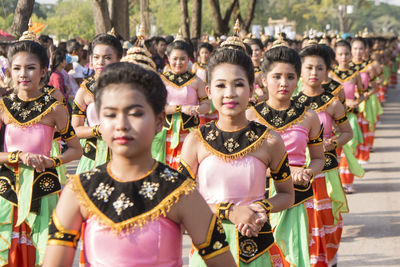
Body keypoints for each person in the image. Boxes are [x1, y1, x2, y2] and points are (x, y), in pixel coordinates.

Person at [43, 62, 236, 267]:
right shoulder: (78, 191)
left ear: (159, 120)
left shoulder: (180, 192)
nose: (122, 124)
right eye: (110, 114)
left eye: (135, 113)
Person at [180, 47, 294, 266]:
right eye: (221, 85)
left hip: (257, 249)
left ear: (251, 90)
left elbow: (287, 195)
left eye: (238, 84)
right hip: (208, 251)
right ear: (209, 91)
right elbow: (181, 199)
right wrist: (230, 211)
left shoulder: (270, 140)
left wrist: (259, 208)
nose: (230, 93)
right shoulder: (195, 140)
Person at [0, 38, 82, 266]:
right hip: (7, 189)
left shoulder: (55, 108)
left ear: (43, 71)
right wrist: (19, 157)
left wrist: (52, 161)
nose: (23, 74)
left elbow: (76, 149)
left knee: (42, 252)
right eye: (17, 68)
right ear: (9, 71)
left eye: (30, 68)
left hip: (43, 188)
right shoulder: (3, 106)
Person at [247, 45, 325, 267]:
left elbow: (319, 157)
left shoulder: (309, 116)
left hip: (295, 196)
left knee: (292, 256)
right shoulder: (250, 116)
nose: (284, 83)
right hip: (257, 195)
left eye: (290, 77)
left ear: (298, 79)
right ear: (263, 79)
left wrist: (309, 171)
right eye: (277, 76)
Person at [294, 44, 353, 267]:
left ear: (327, 71)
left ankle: (328, 260)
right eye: (308, 67)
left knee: (326, 219)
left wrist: (332, 143)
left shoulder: (333, 103)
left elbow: (348, 132)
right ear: (300, 70)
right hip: (299, 173)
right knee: (304, 221)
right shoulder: (291, 104)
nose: (314, 73)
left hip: (325, 172)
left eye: (320, 68)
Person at [152, 39, 209, 169]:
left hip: (190, 130)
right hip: (165, 130)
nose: (178, 63)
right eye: (175, 59)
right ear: (168, 58)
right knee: (164, 165)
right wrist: (181, 108)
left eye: (182, 59)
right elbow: (157, 107)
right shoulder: (161, 80)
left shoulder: (196, 81)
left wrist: (196, 109)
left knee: (188, 165)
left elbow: (206, 105)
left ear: (189, 59)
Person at [71, 33, 122, 174]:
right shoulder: (84, 90)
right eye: (96, 57)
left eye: (107, 58)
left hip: (123, 155)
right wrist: (97, 130)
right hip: (92, 159)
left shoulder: (129, 87)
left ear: (119, 59)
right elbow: (75, 130)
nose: (100, 62)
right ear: (90, 58)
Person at [329, 40, 366, 193]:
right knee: (335, 151)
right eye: (340, 54)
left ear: (350, 55)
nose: (344, 57)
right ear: (335, 56)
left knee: (349, 149)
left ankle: (348, 182)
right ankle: (336, 184)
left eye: (346, 54)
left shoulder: (355, 74)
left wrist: (356, 101)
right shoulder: (330, 75)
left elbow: (363, 94)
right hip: (333, 119)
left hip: (349, 118)